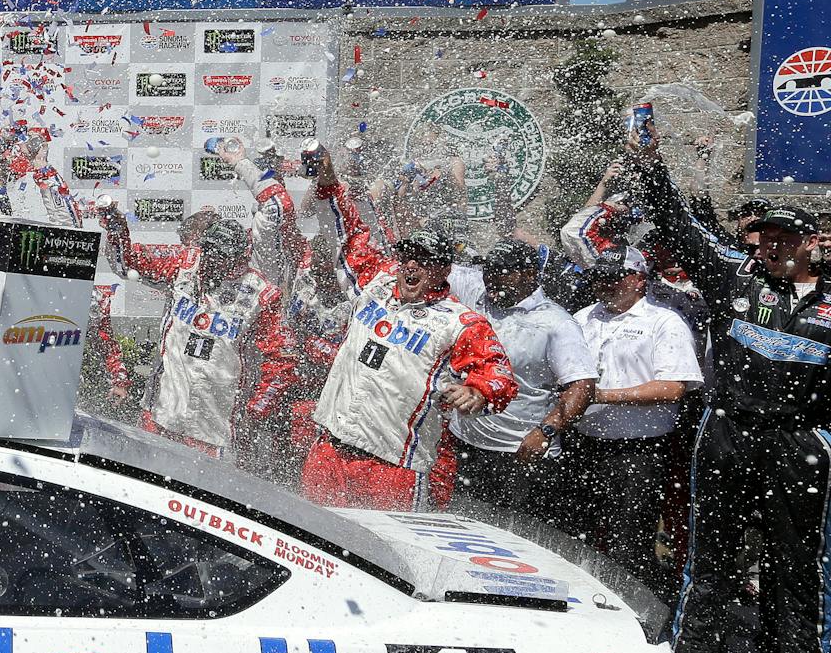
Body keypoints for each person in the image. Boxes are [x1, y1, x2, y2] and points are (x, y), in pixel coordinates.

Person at [639, 159, 831, 653]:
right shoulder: (735, 276)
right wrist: (651, 169)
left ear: (811, 243)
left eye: (786, 238)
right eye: (767, 236)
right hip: (728, 431)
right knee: (710, 556)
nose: (773, 246)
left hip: (799, 439)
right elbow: (679, 227)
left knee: (800, 562)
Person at [300, 148, 517, 511]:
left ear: (444, 270)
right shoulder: (377, 283)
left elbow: (501, 377)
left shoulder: (460, 323)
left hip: (392, 467)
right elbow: (349, 235)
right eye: (407, 257)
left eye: (425, 260)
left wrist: (478, 391)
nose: (412, 266)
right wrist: (329, 182)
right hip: (329, 449)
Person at [567, 246, 704, 601]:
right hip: (583, 443)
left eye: (615, 277)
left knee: (628, 543)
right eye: (599, 277)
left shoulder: (664, 322)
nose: (606, 284)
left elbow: (673, 387)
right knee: (577, 536)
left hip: (639, 450)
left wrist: (601, 396)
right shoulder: (582, 317)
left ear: (640, 280)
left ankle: (630, 611)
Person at [100, 209, 294, 460]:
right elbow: (127, 263)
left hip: (213, 431)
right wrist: (116, 228)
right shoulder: (186, 264)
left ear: (238, 259)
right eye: (208, 251)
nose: (211, 261)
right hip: (161, 413)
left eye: (220, 256)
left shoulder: (261, 295)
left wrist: (254, 411)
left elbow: (281, 361)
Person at [445, 241, 595, 527]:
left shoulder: (556, 323)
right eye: (488, 271)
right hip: (464, 444)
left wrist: (546, 431)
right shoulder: (480, 295)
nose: (491, 279)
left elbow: (582, 386)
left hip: (518, 454)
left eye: (501, 272)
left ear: (529, 275)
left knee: (509, 538)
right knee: (456, 528)